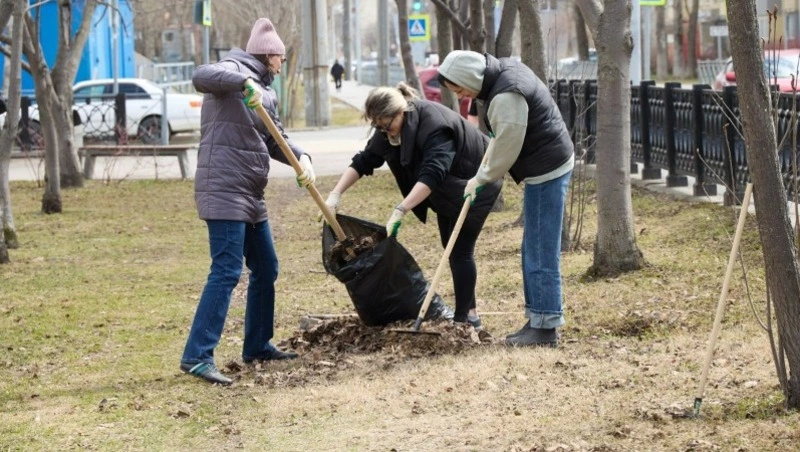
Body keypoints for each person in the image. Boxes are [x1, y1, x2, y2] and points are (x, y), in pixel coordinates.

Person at [180, 18, 316, 385]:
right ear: (269, 55)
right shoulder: (232, 70)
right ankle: (197, 355)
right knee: (226, 270)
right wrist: (243, 83)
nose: (283, 63)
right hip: (224, 189)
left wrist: (302, 158)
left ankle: (257, 345)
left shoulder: (267, 93)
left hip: (251, 193)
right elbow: (201, 75)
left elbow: (275, 139)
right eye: (281, 57)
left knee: (266, 267)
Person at [322, 82, 502, 329]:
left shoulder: (435, 127)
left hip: (476, 182)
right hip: (447, 189)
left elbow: (433, 175)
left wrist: (401, 209)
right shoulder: (388, 128)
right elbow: (365, 160)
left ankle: (468, 317)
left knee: (459, 249)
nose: (384, 132)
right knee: (450, 247)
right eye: (378, 127)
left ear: (400, 112)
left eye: (387, 126)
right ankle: (467, 313)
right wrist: (335, 193)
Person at [437, 50, 574, 348]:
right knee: (533, 248)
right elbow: (501, 136)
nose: (462, 96)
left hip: (547, 168)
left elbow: (507, 146)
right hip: (547, 162)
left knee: (540, 251)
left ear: (469, 76)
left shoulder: (506, 94)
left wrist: (481, 178)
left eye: (460, 89)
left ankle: (545, 328)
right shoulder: (504, 72)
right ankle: (538, 318)